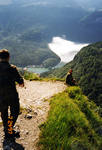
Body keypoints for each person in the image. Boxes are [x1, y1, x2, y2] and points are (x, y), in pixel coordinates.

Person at [0, 49, 24, 140]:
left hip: (0, 96)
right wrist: (21, 82)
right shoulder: (12, 68)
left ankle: (7, 129)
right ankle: (9, 130)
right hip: (12, 95)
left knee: (3, 112)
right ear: (8, 57)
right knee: (15, 112)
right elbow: (20, 82)